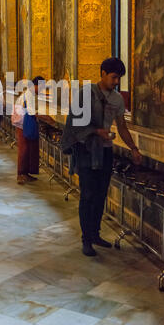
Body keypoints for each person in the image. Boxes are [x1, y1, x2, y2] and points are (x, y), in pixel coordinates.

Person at [62, 58, 142, 257]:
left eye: (119, 79)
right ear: (103, 73)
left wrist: (133, 148)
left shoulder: (117, 99)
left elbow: (121, 126)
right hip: (86, 150)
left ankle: (95, 233)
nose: (116, 82)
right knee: (87, 194)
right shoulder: (85, 95)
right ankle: (86, 239)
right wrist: (97, 131)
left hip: (105, 151)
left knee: (100, 194)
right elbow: (73, 124)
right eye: (114, 77)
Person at [13, 76, 54, 185]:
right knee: (24, 149)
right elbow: (33, 112)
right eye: (41, 87)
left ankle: (25, 173)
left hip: (23, 123)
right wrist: (48, 118)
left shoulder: (29, 94)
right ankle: (21, 174)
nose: (41, 90)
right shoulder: (29, 95)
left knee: (28, 148)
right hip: (23, 125)